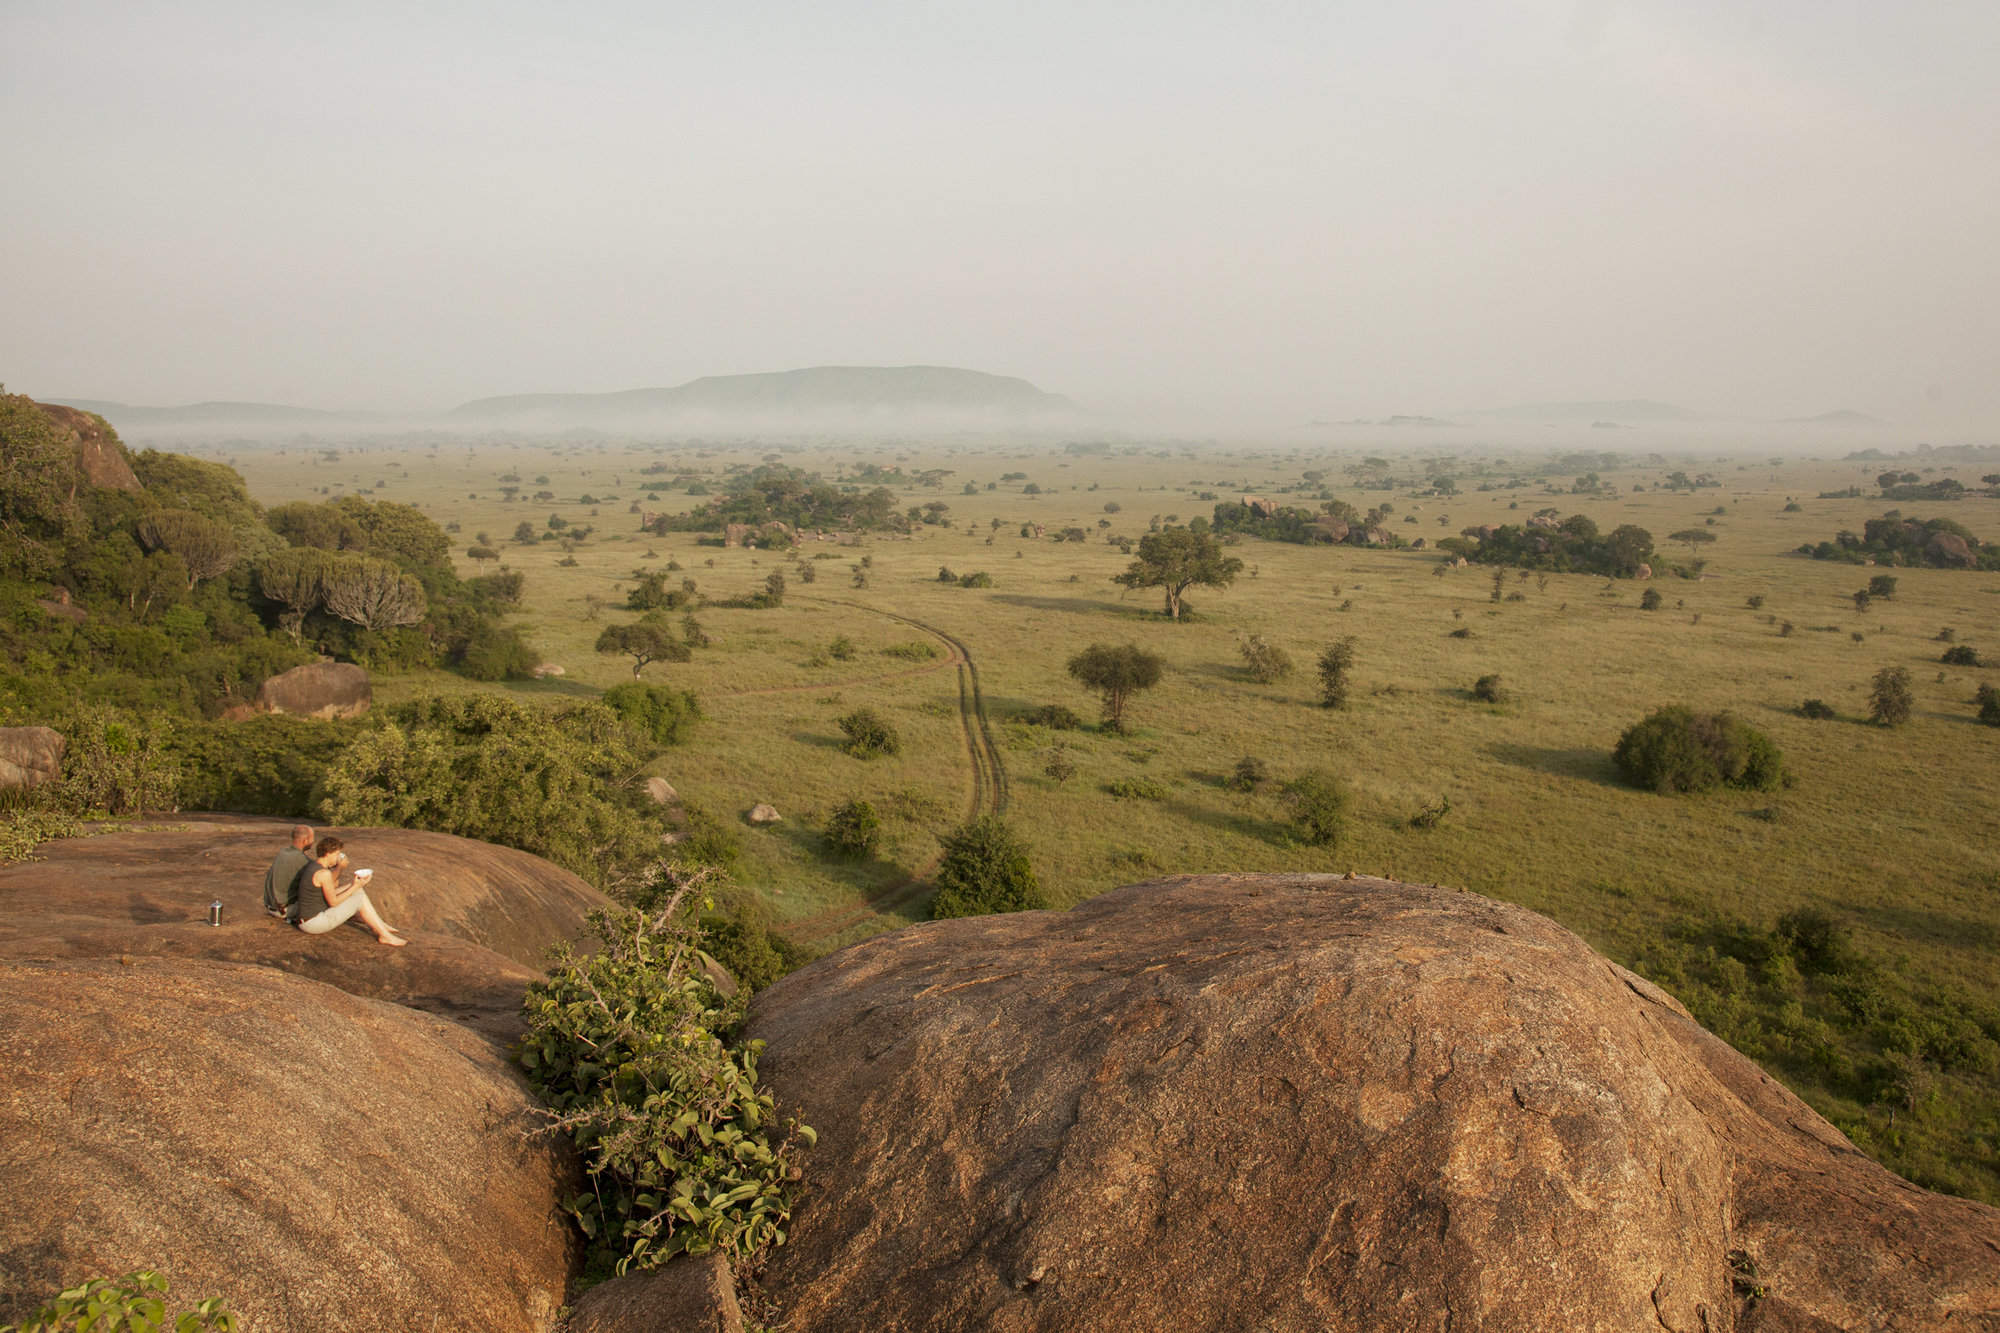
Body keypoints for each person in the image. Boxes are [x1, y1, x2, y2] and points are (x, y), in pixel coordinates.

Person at [293, 836, 407, 947]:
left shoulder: (314, 865)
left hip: (309, 918)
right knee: (358, 898)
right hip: (313, 923)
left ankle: (380, 925)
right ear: (328, 853)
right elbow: (333, 902)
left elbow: (330, 891)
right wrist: (355, 886)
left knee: (358, 890)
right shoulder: (324, 873)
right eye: (337, 854)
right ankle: (384, 935)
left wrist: (355, 885)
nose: (339, 858)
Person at [263, 824, 315, 920]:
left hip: (270, 906)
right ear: (305, 841)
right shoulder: (303, 860)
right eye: (312, 839)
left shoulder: (283, 852)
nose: (313, 842)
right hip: (284, 910)